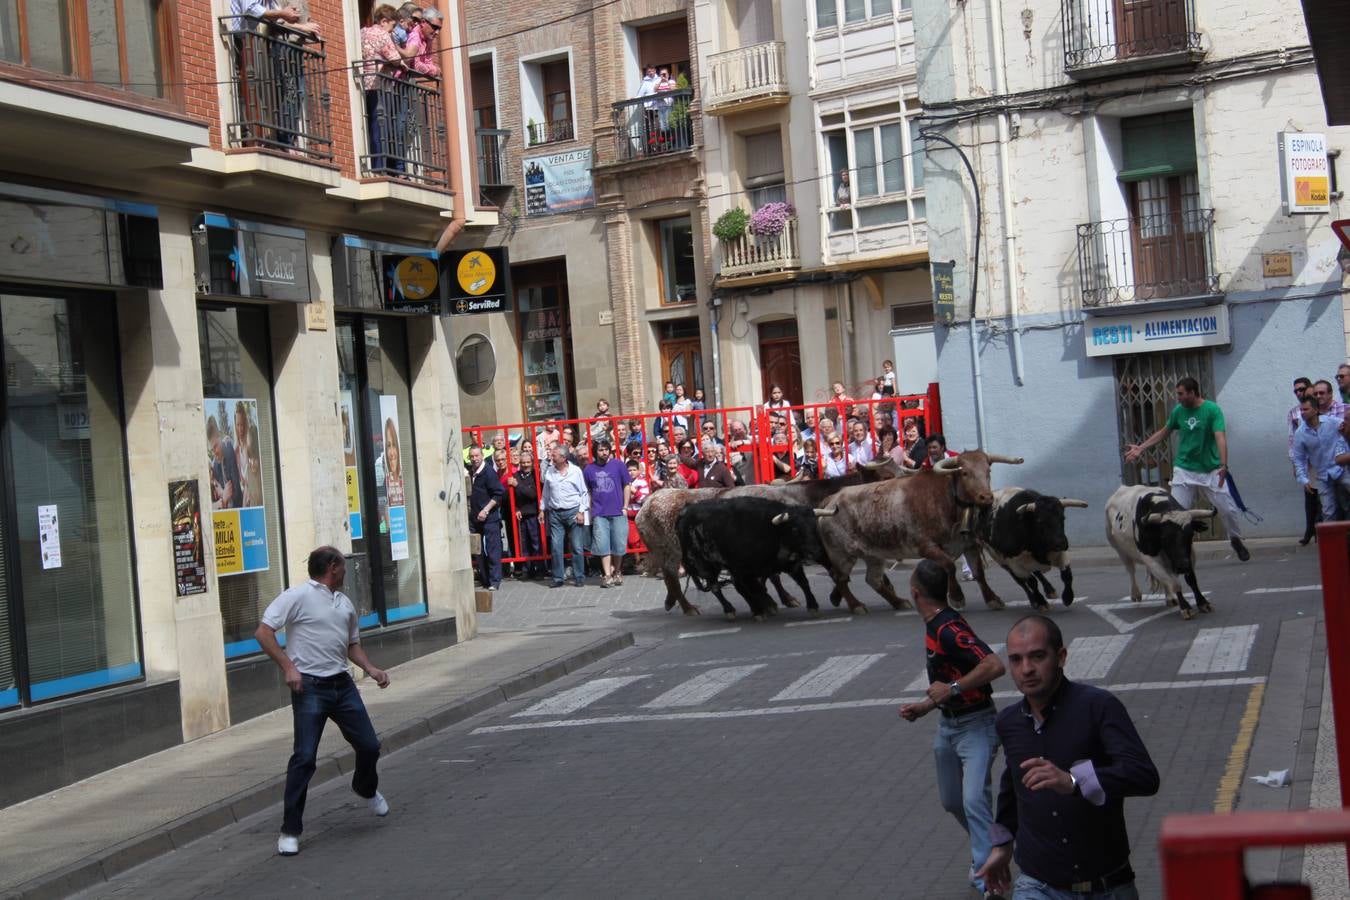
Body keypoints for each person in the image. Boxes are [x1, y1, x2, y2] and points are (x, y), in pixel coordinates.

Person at [977, 615, 1160, 899]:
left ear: (1061, 656)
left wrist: (1075, 781)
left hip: (1106, 886)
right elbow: (1013, 786)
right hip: (1038, 885)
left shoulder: (1098, 707)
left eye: (1037, 656)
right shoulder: (1009, 722)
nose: (1026, 669)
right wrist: (1002, 845)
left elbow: (1144, 776)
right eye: (1016, 660)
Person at [255, 547, 391, 857]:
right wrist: (289, 667)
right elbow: (263, 632)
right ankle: (290, 830)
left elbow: (351, 645)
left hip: (342, 686)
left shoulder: (344, 603)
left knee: (369, 746)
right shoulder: (298, 596)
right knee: (304, 758)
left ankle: (365, 788)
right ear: (332, 567)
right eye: (343, 566)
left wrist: (370, 668)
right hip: (310, 688)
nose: (346, 571)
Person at [899, 559, 1007, 899]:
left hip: (977, 725)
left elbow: (994, 665)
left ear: (915, 593)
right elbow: (946, 681)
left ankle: (987, 876)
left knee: (974, 798)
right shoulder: (933, 625)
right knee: (952, 801)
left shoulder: (949, 628)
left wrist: (953, 690)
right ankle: (993, 846)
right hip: (948, 727)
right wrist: (926, 706)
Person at [1124, 377, 1250, 562]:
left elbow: (1220, 437)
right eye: (1178, 394)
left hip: (1211, 469)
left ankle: (1235, 539)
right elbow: (1164, 431)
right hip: (1184, 469)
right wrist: (1141, 448)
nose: (1178, 398)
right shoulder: (1178, 411)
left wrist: (1224, 464)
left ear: (1192, 392)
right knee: (1176, 514)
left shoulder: (1212, 410)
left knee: (1228, 510)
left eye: (1181, 394)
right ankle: (1178, 550)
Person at [360, 6, 409, 173]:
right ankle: (380, 165)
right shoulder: (382, 34)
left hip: (366, 84)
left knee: (373, 124)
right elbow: (395, 59)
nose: (392, 30)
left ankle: (377, 163)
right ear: (383, 21)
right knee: (381, 126)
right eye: (392, 26)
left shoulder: (362, 32)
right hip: (380, 85)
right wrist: (401, 64)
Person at [1292, 393, 1347, 524]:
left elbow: (1346, 430)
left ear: (1315, 410)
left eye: (1306, 409)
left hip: (1341, 470)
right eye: (1301, 410)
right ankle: (1332, 542)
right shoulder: (1300, 433)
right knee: (1328, 511)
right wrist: (1304, 479)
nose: (1302, 413)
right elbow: (1298, 458)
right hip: (1323, 476)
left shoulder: (1332, 422)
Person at [584, 440, 632, 588]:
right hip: (600, 513)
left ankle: (617, 571)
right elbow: (588, 491)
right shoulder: (589, 469)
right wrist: (591, 510)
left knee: (619, 545)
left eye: (606, 449)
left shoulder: (618, 465)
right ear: (595, 452)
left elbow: (627, 485)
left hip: (618, 511)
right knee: (603, 545)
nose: (604, 452)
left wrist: (625, 506)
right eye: (600, 450)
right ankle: (607, 575)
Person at [541, 443, 589, 588]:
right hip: (555, 513)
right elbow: (546, 494)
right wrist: (542, 510)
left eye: (554, 455)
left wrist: (581, 511)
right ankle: (558, 578)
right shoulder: (549, 472)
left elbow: (584, 492)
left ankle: (579, 576)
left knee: (576, 546)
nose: (551, 457)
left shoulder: (575, 471)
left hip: (573, 511)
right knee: (556, 547)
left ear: (563, 457)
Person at [1286, 377, 1319, 544]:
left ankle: (1321, 529)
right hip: (1306, 460)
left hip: (1321, 458)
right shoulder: (1293, 412)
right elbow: (1292, 438)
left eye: (1302, 389)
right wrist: (1294, 462)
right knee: (1309, 496)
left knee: (1325, 496)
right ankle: (1309, 530)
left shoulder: (1317, 408)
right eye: (1296, 390)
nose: (1299, 393)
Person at [468, 445, 504, 591]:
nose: (475, 459)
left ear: (482, 455)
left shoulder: (488, 472)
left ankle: (495, 581)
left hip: (489, 518)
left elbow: (498, 493)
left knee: (492, 548)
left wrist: (486, 510)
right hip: (475, 518)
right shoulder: (472, 472)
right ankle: (485, 579)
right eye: (472, 456)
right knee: (478, 550)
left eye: (477, 456)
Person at [510, 450, 545, 578]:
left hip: (533, 513)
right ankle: (528, 570)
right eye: (523, 462)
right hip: (522, 514)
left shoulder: (536, 475)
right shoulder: (517, 475)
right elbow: (513, 496)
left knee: (536, 543)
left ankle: (540, 569)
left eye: (528, 462)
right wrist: (517, 508)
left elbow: (533, 494)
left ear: (532, 463)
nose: (525, 465)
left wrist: (517, 485)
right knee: (524, 544)